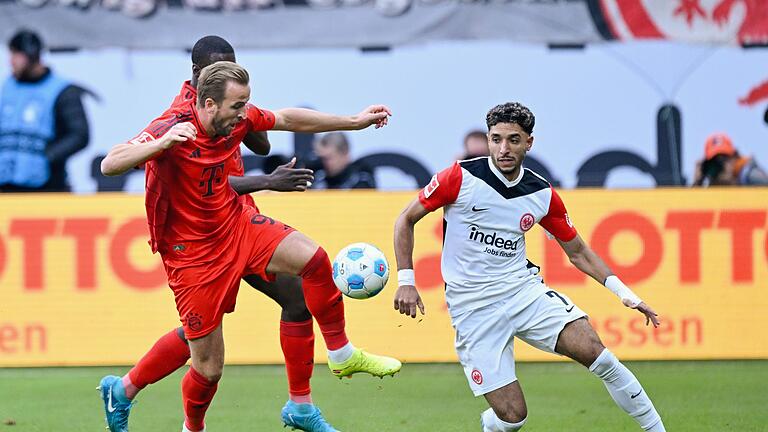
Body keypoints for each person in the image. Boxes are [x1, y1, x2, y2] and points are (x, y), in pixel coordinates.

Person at [100, 61, 401, 432]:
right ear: (208, 102)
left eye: (246, 103)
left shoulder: (235, 116)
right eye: (237, 105)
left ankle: (332, 365)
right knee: (208, 366)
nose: (245, 114)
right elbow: (111, 163)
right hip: (194, 253)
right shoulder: (174, 128)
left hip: (236, 225)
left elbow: (287, 118)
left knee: (314, 262)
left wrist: (354, 121)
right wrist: (161, 144)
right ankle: (176, 418)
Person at [393, 102, 666, 432]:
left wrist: (625, 294)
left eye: (513, 140)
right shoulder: (459, 177)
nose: (503, 149)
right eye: (496, 139)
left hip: (523, 292)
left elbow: (578, 251)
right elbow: (405, 220)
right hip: (473, 309)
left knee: (599, 354)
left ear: (529, 143)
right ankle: (492, 425)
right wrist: (406, 280)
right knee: (513, 417)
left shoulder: (541, 194)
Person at [0, 29, 89, 192]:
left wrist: (48, 157)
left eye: (16, 55)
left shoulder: (61, 91)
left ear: (31, 55)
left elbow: (80, 135)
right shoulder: (7, 87)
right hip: (5, 185)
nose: (11, 61)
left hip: (45, 186)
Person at [693, 132, 768, 186]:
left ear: (734, 158)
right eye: (714, 162)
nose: (719, 166)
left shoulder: (748, 177)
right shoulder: (710, 193)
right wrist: (697, 184)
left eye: (723, 159)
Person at [310, 131, 376, 189]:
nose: (324, 163)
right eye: (322, 158)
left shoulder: (362, 179)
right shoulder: (318, 178)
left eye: (329, 158)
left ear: (345, 153)